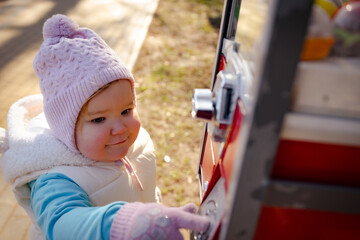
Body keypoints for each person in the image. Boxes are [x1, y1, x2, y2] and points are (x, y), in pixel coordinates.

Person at [0, 14, 209, 240]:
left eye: (126, 111)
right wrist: (123, 223)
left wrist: (151, 214)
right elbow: (62, 223)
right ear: (66, 129)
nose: (120, 128)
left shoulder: (133, 145)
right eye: (99, 119)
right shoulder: (55, 179)